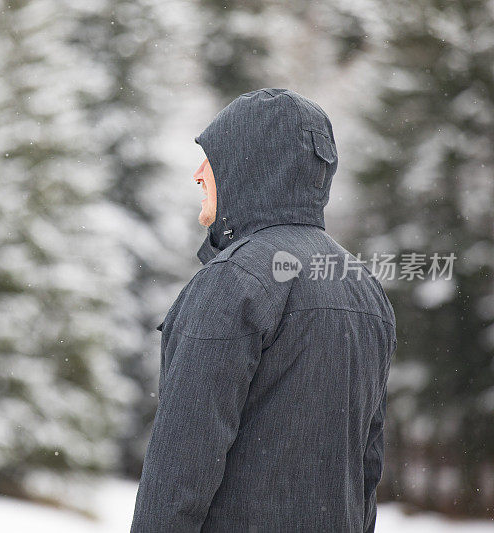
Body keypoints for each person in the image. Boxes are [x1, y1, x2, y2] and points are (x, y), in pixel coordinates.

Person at [130, 88, 397, 533]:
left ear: (246, 167)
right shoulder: (362, 285)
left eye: (211, 160)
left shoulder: (233, 281)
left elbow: (181, 466)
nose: (198, 174)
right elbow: (367, 464)